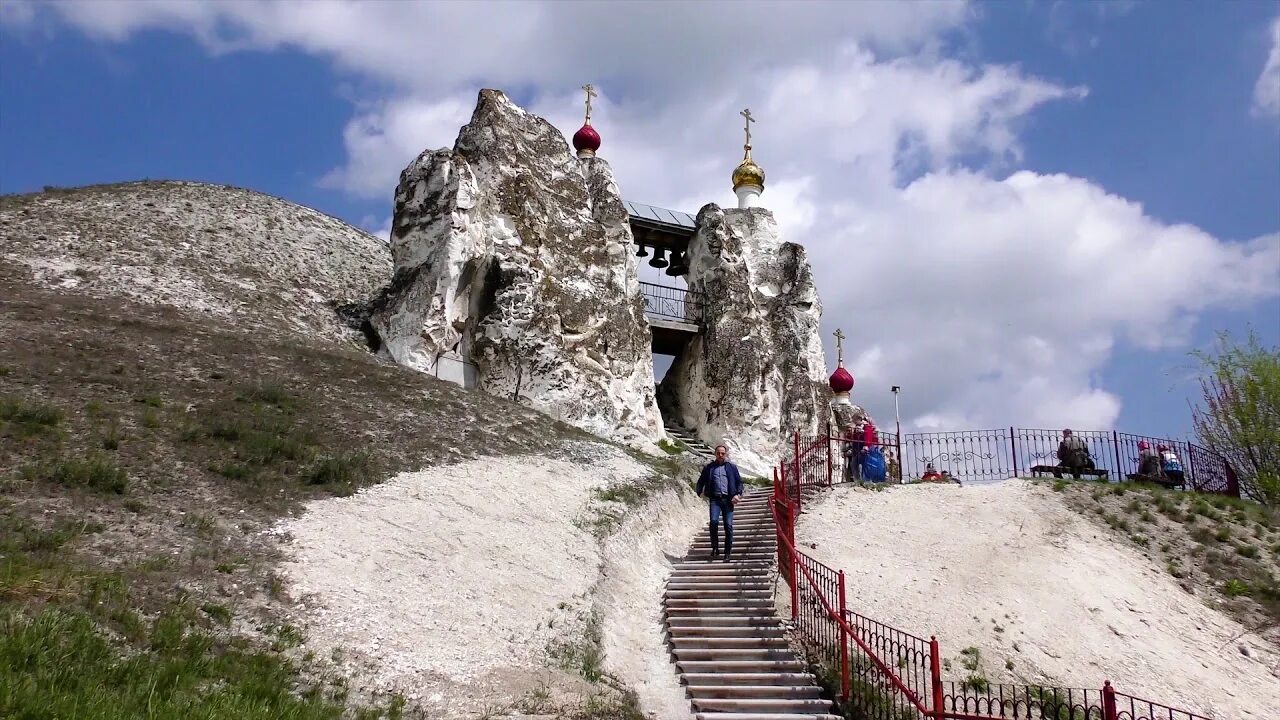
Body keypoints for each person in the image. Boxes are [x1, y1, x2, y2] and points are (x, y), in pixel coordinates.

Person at [695, 444, 744, 561]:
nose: (720, 455)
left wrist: (738, 494)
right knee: (713, 522)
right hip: (715, 500)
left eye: (723, 453)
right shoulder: (709, 468)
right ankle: (715, 548)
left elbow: (739, 483)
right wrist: (699, 492)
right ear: (715, 454)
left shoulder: (732, 467)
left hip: (728, 500)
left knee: (728, 526)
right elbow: (700, 481)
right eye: (718, 453)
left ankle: (727, 553)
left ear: (726, 454)